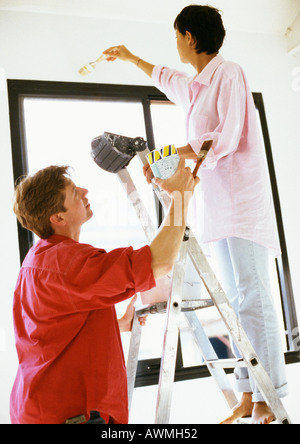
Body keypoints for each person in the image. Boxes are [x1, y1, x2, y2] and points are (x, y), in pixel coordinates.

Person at [103, 4, 288, 425]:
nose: (175, 44)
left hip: (244, 206)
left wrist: (166, 156)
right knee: (236, 308)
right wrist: (131, 58)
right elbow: (167, 78)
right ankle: (246, 395)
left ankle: (268, 400)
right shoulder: (197, 87)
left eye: (176, 36)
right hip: (219, 210)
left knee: (255, 300)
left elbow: (221, 137)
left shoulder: (230, 74)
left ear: (189, 36)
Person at [10, 161, 199, 424]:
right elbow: (161, 261)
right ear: (58, 218)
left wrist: (118, 324)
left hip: (38, 408)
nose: (85, 192)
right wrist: (180, 198)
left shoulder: (37, 260)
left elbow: (48, 332)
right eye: (75, 193)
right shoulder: (67, 263)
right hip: (71, 416)